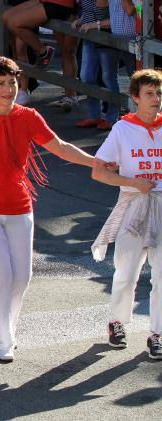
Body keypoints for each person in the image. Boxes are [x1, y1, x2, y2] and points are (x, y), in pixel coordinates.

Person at [0, 57, 95, 362]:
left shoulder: (29, 117)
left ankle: (4, 327)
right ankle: (4, 339)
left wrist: (96, 162)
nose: (8, 89)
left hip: (19, 207)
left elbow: (60, 147)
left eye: (12, 82)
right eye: (0, 83)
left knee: (22, 277)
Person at [91, 69, 162, 361]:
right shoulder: (122, 129)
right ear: (135, 97)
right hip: (133, 206)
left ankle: (157, 334)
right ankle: (117, 322)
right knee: (126, 272)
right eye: (149, 94)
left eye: (159, 93)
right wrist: (133, 182)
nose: (156, 99)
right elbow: (98, 172)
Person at [73, 0, 115, 130]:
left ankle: (111, 117)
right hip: (90, 36)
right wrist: (82, 19)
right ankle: (94, 115)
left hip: (106, 38)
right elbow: (89, 6)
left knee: (108, 77)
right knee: (86, 76)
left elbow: (111, 14)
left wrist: (93, 24)